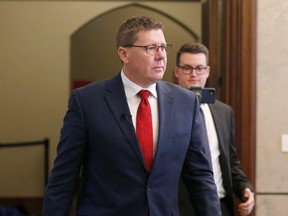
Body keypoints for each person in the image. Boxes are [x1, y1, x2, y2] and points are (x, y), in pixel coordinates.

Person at [42, 16, 221, 216]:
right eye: (151, 48)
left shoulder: (186, 102)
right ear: (124, 53)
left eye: (163, 47)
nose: (161, 55)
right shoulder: (87, 101)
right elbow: (63, 179)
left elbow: (200, 177)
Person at [175, 42, 255, 216]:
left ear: (208, 71)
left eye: (200, 68)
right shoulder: (165, 110)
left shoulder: (223, 112)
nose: (194, 74)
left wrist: (245, 189)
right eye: (187, 68)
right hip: (181, 208)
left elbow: (231, 161)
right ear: (177, 71)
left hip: (220, 207)